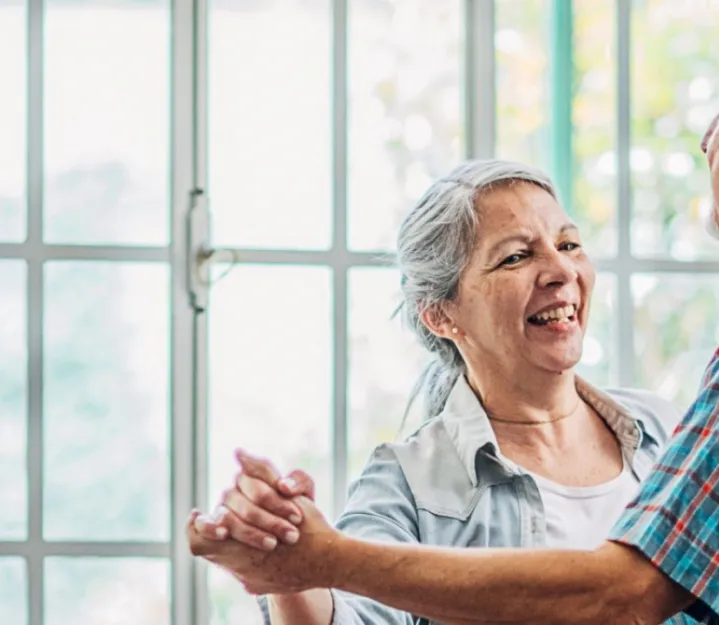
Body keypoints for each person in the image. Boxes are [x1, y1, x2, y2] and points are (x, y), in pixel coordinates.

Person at [189, 8, 719, 624]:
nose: (705, 141)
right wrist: (300, 568)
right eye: (517, 257)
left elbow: (624, 593)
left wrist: (327, 554)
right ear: (441, 314)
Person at [193, 159, 691, 624]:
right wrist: (290, 560)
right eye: (516, 256)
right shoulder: (409, 480)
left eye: (568, 244)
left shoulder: (666, 431)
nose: (562, 272)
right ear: (442, 314)